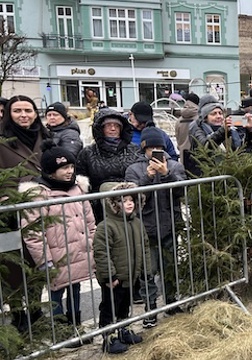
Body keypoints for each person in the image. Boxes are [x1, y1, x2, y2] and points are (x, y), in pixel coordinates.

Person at [20, 141, 96, 339]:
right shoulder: (40, 195)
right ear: (51, 172)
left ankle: (76, 324)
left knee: (76, 287)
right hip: (57, 256)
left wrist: (92, 243)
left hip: (78, 253)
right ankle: (61, 330)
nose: (70, 171)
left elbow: (89, 221)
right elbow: (33, 232)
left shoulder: (78, 189)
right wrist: (44, 260)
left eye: (71, 166)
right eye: (64, 168)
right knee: (56, 292)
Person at [125, 128, 187, 328]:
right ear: (144, 148)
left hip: (170, 224)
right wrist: (148, 177)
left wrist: (166, 174)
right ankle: (150, 309)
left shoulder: (174, 165)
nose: (155, 151)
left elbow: (181, 190)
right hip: (146, 227)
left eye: (158, 147)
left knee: (170, 267)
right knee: (148, 271)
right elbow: (132, 198)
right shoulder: (134, 169)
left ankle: (171, 302)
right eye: (151, 147)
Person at [0, 95, 51, 333]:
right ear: (9, 114)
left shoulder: (45, 137)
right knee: (12, 264)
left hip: (40, 211)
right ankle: (17, 311)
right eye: (17, 111)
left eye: (28, 110)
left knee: (36, 259)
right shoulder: (2, 141)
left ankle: (35, 308)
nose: (23, 115)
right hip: (10, 212)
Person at [93, 182, 146, 354]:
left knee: (124, 306)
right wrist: (110, 276)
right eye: (123, 201)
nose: (129, 203)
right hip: (114, 279)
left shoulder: (136, 223)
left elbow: (144, 245)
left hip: (131, 275)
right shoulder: (106, 226)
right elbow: (101, 253)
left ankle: (124, 329)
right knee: (110, 308)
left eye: (131, 200)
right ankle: (109, 337)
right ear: (113, 204)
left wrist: (145, 269)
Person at [75, 108, 143, 223]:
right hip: (99, 209)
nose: (113, 129)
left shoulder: (134, 150)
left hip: (130, 206)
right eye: (108, 125)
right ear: (100, 128)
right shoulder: (87, 153)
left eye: (116, 126)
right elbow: (81, 181)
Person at [187, 94, 252, 176]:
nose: (218, 116)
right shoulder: (198, 128)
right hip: (207, 175)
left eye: (220, 113)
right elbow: (205, 146)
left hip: (230, 174)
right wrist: (223, 131)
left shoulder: (230, 130)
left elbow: (244, 150)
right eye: (213, 114)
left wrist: (250, 131)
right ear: (205, 117)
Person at [176, 93, 200, 175]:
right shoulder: (200, 118)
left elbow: (178, 139)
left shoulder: (179, 120)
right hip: (198, 155)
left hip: (183, 154)